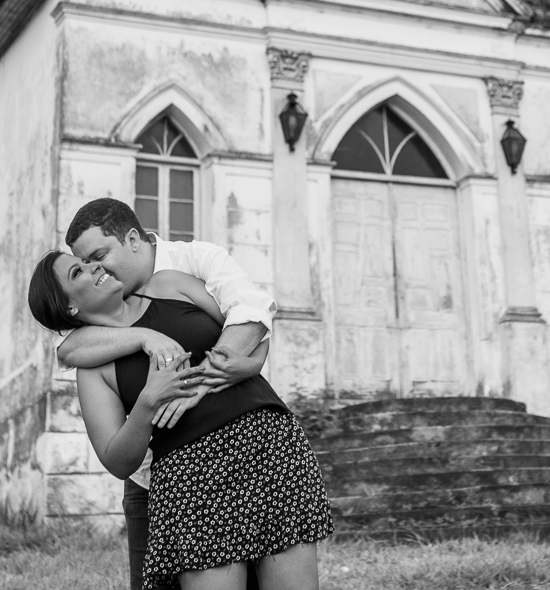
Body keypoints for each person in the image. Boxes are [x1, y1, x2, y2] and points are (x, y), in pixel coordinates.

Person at [29, 252, 332, 589]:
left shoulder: (167, 285)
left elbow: (251, 323)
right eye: (78, 271)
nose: (94, 265)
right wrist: (146, 404)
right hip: (190, 477)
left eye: (89, 260)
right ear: (69, 307)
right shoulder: (92, 367)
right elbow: (116, 460)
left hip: (266, 445)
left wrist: (251, 363)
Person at [55, 199, 276, 590]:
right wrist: (144, 336)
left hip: (252, 449)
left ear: (134, 239)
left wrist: (221, 375)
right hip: (159, 480)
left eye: (99, 256)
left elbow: (250, 314)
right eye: (84, 263)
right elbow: (68, 351)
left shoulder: (191, 263)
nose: (97, 269)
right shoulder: (102, 316)